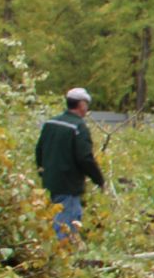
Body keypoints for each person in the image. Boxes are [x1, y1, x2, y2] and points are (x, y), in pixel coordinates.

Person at [34, 87, 105, 242]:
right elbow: (85, 158)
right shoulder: (78, 127)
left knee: (56, 216)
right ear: (81, 105)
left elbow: (39, 149)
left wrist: (42, 170)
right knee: (65, 224)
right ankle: (61, 258)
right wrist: (98, 179)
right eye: (86, 104)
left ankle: (56, 252)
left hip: (51, 181)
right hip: (69, 183)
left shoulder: (51, 123)